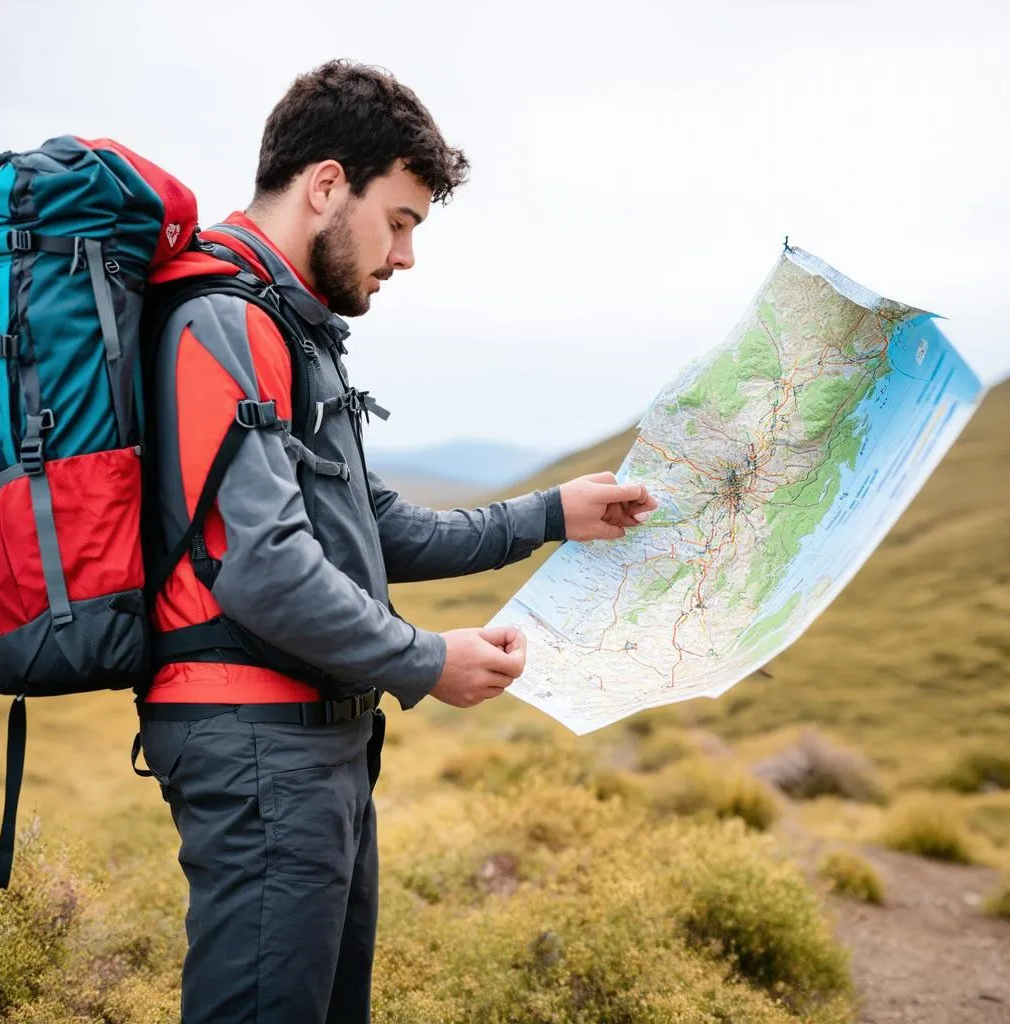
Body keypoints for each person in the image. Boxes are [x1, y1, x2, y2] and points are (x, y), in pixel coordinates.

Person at [137, 59, 658, 1024]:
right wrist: (426, 661)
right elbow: (265, 567)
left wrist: (551, 514)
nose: (406, 256)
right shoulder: (225, 321)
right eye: (402, 220)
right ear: (327, 185)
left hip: (312, 747)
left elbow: (372, 527)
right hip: (258, 749)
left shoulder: (290, 330)